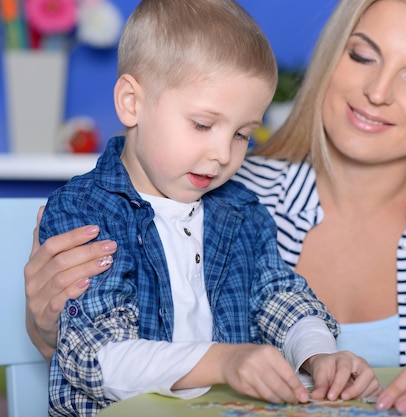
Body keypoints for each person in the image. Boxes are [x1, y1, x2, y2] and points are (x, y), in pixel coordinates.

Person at [25, 0, 406, 416]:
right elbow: (106, 349)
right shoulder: (218, 187)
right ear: (331, 58)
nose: (377, 92)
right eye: (362, 55)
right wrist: (44, 325)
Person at [34, 1, 381, 416]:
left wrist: (319, 355)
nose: (222, 154)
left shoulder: (240, 211)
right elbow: (99, 358)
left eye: (241, 134)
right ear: (131, 102)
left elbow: (279, 296)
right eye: (203, 124)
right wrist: (224, 360)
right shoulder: (86, 212)